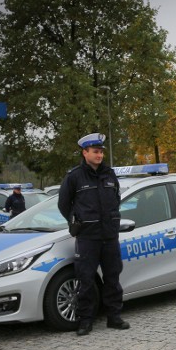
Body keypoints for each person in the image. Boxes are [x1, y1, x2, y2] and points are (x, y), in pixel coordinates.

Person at [58, 132, 129, 336]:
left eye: (101, 152)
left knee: (112, 278)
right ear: (85, 152)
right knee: (86, 280)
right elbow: (64, 204)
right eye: (95, 151)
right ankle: (85, 321)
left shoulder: (109, 174)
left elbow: (115, 198)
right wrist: (76, 221)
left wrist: (113, 219)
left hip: (109, 236)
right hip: (88, 237)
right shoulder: (74, 177)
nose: (99, 155)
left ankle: (114, 317)